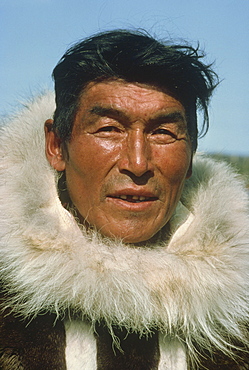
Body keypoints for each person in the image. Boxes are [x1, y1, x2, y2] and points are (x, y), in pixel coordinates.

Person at [0, 29, 248, 369]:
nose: (137, 163)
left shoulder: (235, 319)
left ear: (191, 157)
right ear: (56, 146)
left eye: (163, 132)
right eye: (108, 129)